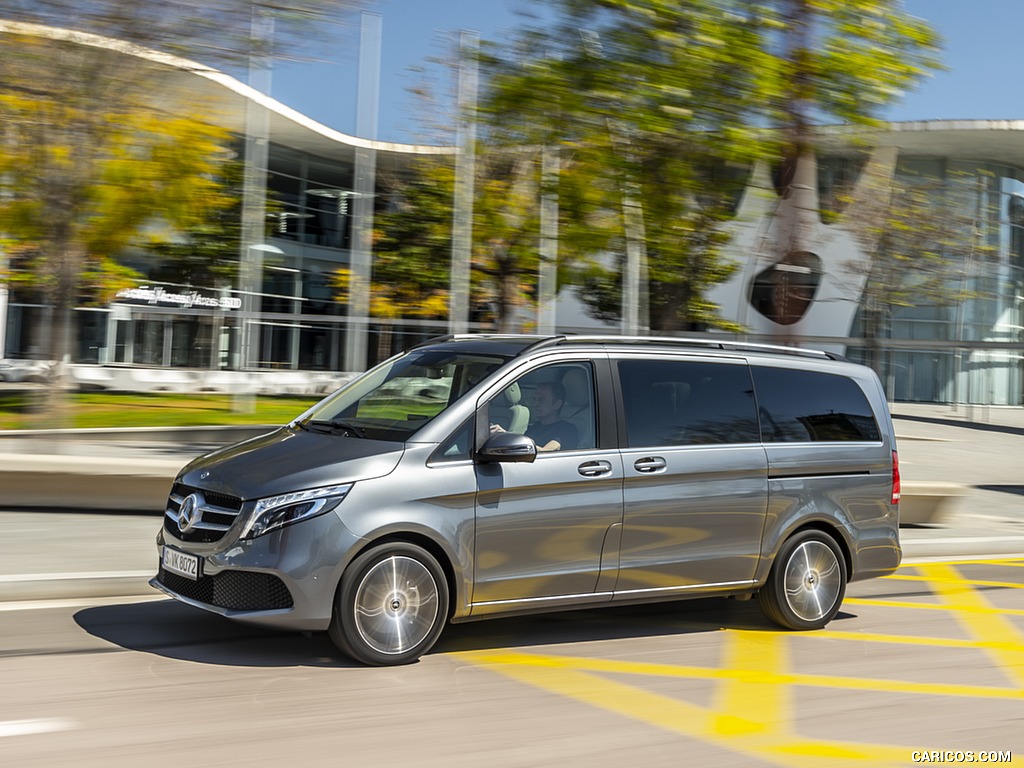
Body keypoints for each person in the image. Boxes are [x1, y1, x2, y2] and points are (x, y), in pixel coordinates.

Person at [491, 380, 577, 451]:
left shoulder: (567, 429)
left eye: (541, 399)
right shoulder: (535, 427)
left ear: (557, 404)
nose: (535, 404)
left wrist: (506, 437)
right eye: (535, 399)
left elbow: (546, 451)